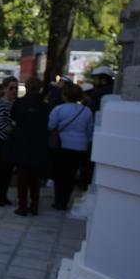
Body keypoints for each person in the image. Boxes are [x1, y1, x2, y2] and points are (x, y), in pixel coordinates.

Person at [48, 82, 94, 211]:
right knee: (71, 175)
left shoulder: (59, 109)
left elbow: (51, 126)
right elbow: (89, 131)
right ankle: (65, 201)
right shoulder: (87, 111)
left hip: (62, 145)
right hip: (80, 146)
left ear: (65, 95)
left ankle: (58, 201)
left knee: (60, 174)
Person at [9, 77, 49, 215]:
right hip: (38, 144)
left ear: (26, 87)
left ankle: (22, 205)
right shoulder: (45, 106)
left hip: (22, 143)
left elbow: (13, 118)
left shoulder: (19, 103)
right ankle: (34, 205)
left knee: (22, 177)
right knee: (35, 178)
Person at [0, 76, 18, 206]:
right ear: (5, 88)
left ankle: (3, 195)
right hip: (0, 141)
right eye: (11, 88)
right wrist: (12, 128)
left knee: (8, 169)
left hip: (11, 142)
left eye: (16, 88)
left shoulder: (16, 104)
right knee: (2, 168)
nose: (14, 90)